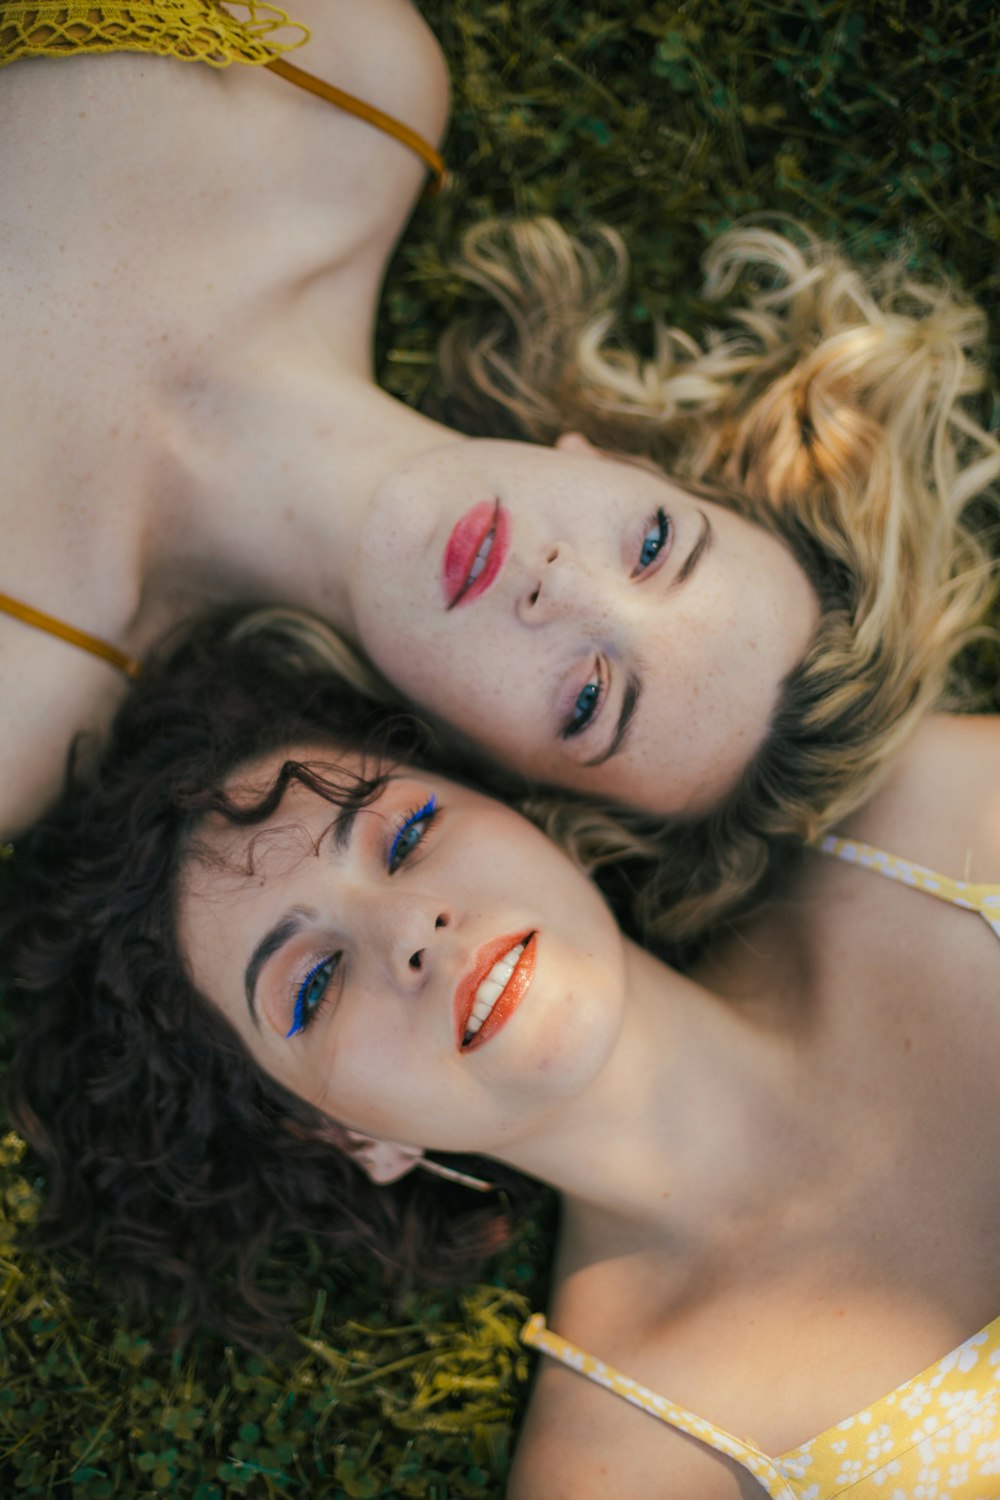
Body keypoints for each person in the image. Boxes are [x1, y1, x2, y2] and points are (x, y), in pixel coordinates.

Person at [2, 2, 997, 946]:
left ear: (487, 768)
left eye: (586, 700)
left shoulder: (23, 709)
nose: (555, 582)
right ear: (616, 459)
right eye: (652, 546)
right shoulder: (352, 94)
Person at [7, 609, 1000, 1498]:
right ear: (338, 1135)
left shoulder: (941, 827)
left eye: (404, 840)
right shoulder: (624, 1474)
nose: (410, 929)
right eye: (311, 984)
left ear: (513, 810)